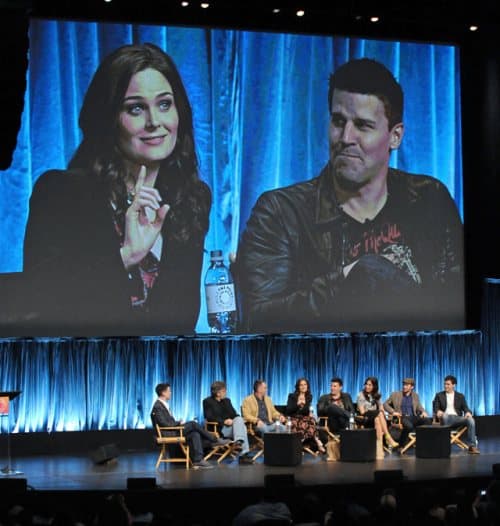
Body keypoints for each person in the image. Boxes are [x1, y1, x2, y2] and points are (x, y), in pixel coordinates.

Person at [235, 57, 464, 334]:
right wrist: (343, 281)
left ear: (395, 136)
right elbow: (256, 321)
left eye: (363, 125)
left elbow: (456, 306)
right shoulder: (282, 212)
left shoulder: (429, 199)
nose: (345, 137)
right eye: (338, 121)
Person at [18, 43, 211, 336]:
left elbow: (181, 322)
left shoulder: (191, 199)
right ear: (108, 119)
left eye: (164, 104)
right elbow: (44, 308)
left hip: (164, 376)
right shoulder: (61, 193)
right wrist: (126, 256)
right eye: (135, 108)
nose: (154, 122)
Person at [151, 383, 231, 469]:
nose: (171, 393)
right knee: (193, 424)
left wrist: (177, 423)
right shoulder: (158, 406)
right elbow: (164, 423)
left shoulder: (163, 404)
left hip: (173, 430)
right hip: (168, 433)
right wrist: (178, 423)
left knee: (195, 434)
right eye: (169, 391)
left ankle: (198, 461)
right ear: (163, 393)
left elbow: (167, 422)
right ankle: (214, 440)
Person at [203, 380, 254, 464]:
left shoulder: (227, 401)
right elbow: (209, 417)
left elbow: (234, 414)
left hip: (233, 428)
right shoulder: (207, 401)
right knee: (243, 428)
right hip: (220, 428)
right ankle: (243, 455)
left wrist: (239, 420)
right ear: (217, 393)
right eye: (224, 391)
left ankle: (238, 442)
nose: (225, 393)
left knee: (239, 419)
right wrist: (224, 421)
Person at [432, 375, 480, 454]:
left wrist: (468, 412)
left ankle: (472, 446)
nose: (445, 386)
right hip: (445, 418)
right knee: (445, 415)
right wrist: (438, 411)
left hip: (457, 419)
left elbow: (466, 408)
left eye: (448, 384)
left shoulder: (460, 396)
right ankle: (445, 442)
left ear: (454, 385)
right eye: (445, 384)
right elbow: (435, 407)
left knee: (470, 420)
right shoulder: (439, 395)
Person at [356, 376, 399, 459]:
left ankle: (379, 452)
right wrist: (378, 412)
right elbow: (362, 412)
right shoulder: (360, 395)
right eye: (366, 384)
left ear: (374, 386)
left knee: (377, 420)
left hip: (375, 418)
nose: (367, 386)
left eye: (370, 385)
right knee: (378, 414)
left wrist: (382, 413)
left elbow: (381, 408)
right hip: (366, 418)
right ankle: (388, 437)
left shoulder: (376, 395)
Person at [383, 377, 432, 447]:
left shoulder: (415, 396)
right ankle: (401, 444)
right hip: (401, 416)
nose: (404, 386)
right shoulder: (395, 394)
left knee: (428, 421)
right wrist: (393, 412)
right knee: (409, 426)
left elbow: (419, 407)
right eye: (403, 385)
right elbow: (385, 404)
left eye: (406, 385)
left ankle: (424, 443)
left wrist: (423, 412)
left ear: (412, 387)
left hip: (413, 417)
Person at [285, 378, 325, 453]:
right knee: (305, 423)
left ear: (307, 386)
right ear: (298, 387)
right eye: (301, 385)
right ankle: (317, 442)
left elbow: (305, 411)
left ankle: (300, 442)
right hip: (293, 417)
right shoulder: (292, 396)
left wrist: (303, 407)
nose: (303, 386)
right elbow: (289, 410)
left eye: (305, 384)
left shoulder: (309, 397)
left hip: (304, 418)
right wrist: (298, 404)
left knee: (311, 420)